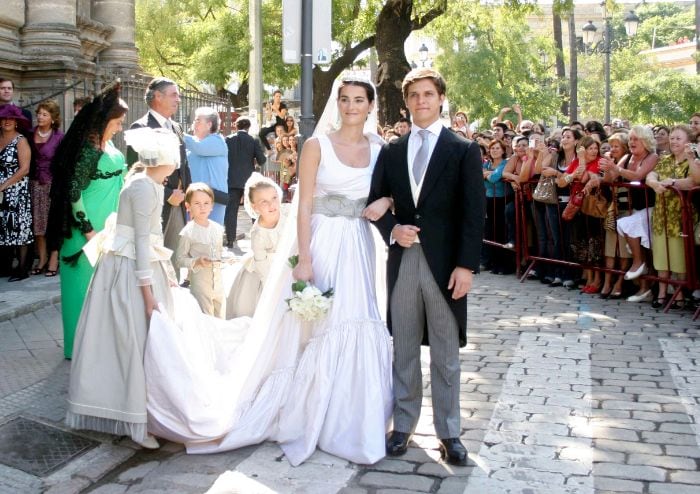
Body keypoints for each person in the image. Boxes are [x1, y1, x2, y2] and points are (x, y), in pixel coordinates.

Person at [144, 78, 393, 467]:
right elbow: (305, 204)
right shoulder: (316, 146)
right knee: (314, 326)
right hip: (322, 242)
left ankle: (352, 416)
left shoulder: (380, 148)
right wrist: (305, 259)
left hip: (358, 244)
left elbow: (392, 188)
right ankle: (308, 410)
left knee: (356, 319)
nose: (350, 106)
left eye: (358, 100)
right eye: (344, 99)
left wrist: (387, 198)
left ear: (370, 105)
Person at [368, 68, 485, 466]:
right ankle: (403, 425)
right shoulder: (392, 151)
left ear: (440, 99)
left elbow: (474, 213)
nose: (421, 100)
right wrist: (392, 228)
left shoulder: (463, 149)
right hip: (404, 261)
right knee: (402, 346)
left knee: (445, 352)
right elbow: (376, 201)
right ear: (406, 101)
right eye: (414, 95)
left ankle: (449, 433)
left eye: (428, 94)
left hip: (445, 265)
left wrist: (466, 266)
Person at [66, 128, 180, 450]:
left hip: (141, 264)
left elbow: (153, 240)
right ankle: (135, 421)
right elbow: (141, 244)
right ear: (165, 159)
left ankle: (148, 414)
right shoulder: (143, 187)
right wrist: (147, 294)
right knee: (132, 340)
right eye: (175, 156)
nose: (177, 162)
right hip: (127, 269)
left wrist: (167, 273)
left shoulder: (154, 185)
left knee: (143, 344)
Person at [47, 84, 128, 359]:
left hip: (108, 231)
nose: (119, 127)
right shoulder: (86, 151)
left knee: (104, 293)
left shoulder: (111, 147)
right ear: (104, 121)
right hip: (86, 236)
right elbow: (73, 193)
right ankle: (78, 350)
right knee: (80, 294)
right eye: (117, 122)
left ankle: (97, 349)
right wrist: (90, 231)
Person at [127, 77, 191, 256]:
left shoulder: (177, 128)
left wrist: (188, 195)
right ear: (158, 96)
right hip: (155, 204)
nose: (178, 99)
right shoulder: (140, 127)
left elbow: (184, 166)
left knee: (175, 258)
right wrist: (169, 195)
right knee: (154, 256)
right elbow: (136, 171)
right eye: (174, 95)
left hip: (179, 204)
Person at [645, 125, 697, 309]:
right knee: (661, 256)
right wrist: (653, 183)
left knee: (678, 258)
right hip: (661, 214)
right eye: (672, 138)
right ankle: (661, 292)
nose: (674, 141)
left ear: (688, 142)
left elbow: (694, 181)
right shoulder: (665, 159)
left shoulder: (693, 161)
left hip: (680, 216)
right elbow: (651, 174)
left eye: (678, 138)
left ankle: (679, 294)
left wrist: (673, 182)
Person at [608, 125, 659, 303]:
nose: (632, 142)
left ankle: (642, 270)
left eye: (636, 139)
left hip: (652, 208)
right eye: (630, 139)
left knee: (647, 248)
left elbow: (638, 176)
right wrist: (608, 166)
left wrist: (617, 169)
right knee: (643, 246)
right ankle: (644, 288)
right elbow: (610, 178)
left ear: (645, 140)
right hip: (635, 208)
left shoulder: (652, 157)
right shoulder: (627, 157)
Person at [226, 173, 287, 318]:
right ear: (255, 207)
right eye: (264, 202)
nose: (272, 205)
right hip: (266, 271)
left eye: (274, 198)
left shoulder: (288, 212)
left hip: (290, 262)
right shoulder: (258, 234)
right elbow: (262, 266)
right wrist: (273, 288)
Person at [30, 100, 64, 277]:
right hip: (34, 184)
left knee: (53, 224)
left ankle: (53, 259)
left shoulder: (59, 137)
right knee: (38, 224)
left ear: (53, 118)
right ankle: (41, 259)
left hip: (52, 185)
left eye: (44, 114)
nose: (40, 117)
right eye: (39, 114)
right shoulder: (30, 134)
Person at [0, 104, 32, 281]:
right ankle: (5, 267)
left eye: (11, 119)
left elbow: (25, 169)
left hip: (17, 191)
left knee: (19, 228)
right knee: (4, 227)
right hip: (2, 191)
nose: (7, 121)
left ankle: (21, 269)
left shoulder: (21, 140)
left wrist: (3, 185)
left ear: (17, 122)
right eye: (4, 118)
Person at [224, 117, 266, 250]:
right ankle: (257, 239)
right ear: (248, 127)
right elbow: (262, 160)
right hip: (249, 180)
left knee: (231, 210)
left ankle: (230, 239)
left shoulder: (228, 139)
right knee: (254, 209)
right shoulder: (253, 140)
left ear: (235, 126)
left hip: (231, 179)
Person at [183, 107, 228, 224]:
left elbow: (199, 148)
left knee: (211, 236)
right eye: (194, 121)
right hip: (194, 198)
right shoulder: (192, 144)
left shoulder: (217, 141)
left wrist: (176, 132)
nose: (194, 124)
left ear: (209, 124)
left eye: (198, 121)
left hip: (213, 200)